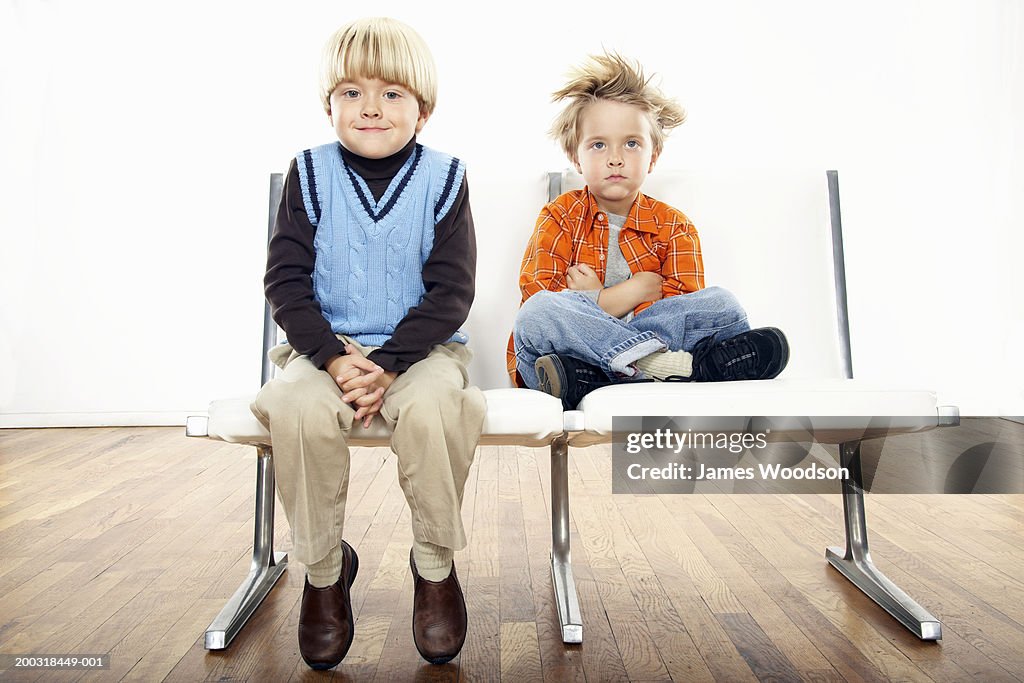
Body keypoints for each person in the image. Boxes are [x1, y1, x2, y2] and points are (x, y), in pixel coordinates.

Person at [250, 17, 485, 669]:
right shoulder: (311, 174)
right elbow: (286, 281)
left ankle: (434, 563)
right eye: (351, 93)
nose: (371, 108)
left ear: (424, 109)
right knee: (295, 405)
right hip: (323, 349)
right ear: (328, 106)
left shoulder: (444, 178)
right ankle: (324, 572)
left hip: (422, 350)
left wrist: (384, 365)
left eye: (391, 94)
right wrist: (332, 357)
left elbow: (451, 292)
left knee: (440, 406)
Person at [510, 53, 790, 408]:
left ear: (653, 155)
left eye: (631, 143)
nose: (615, 158)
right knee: (537, 314)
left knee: (724, 306)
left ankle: (605, 377)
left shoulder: (675, 227)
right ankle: (658, 367)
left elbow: (681, 311)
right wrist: (620, 295)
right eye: (598, 144)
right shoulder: (559, 217)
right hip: (560, 365)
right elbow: (539, 293)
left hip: (584, 371)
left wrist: (591, 303)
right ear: (575, 156)